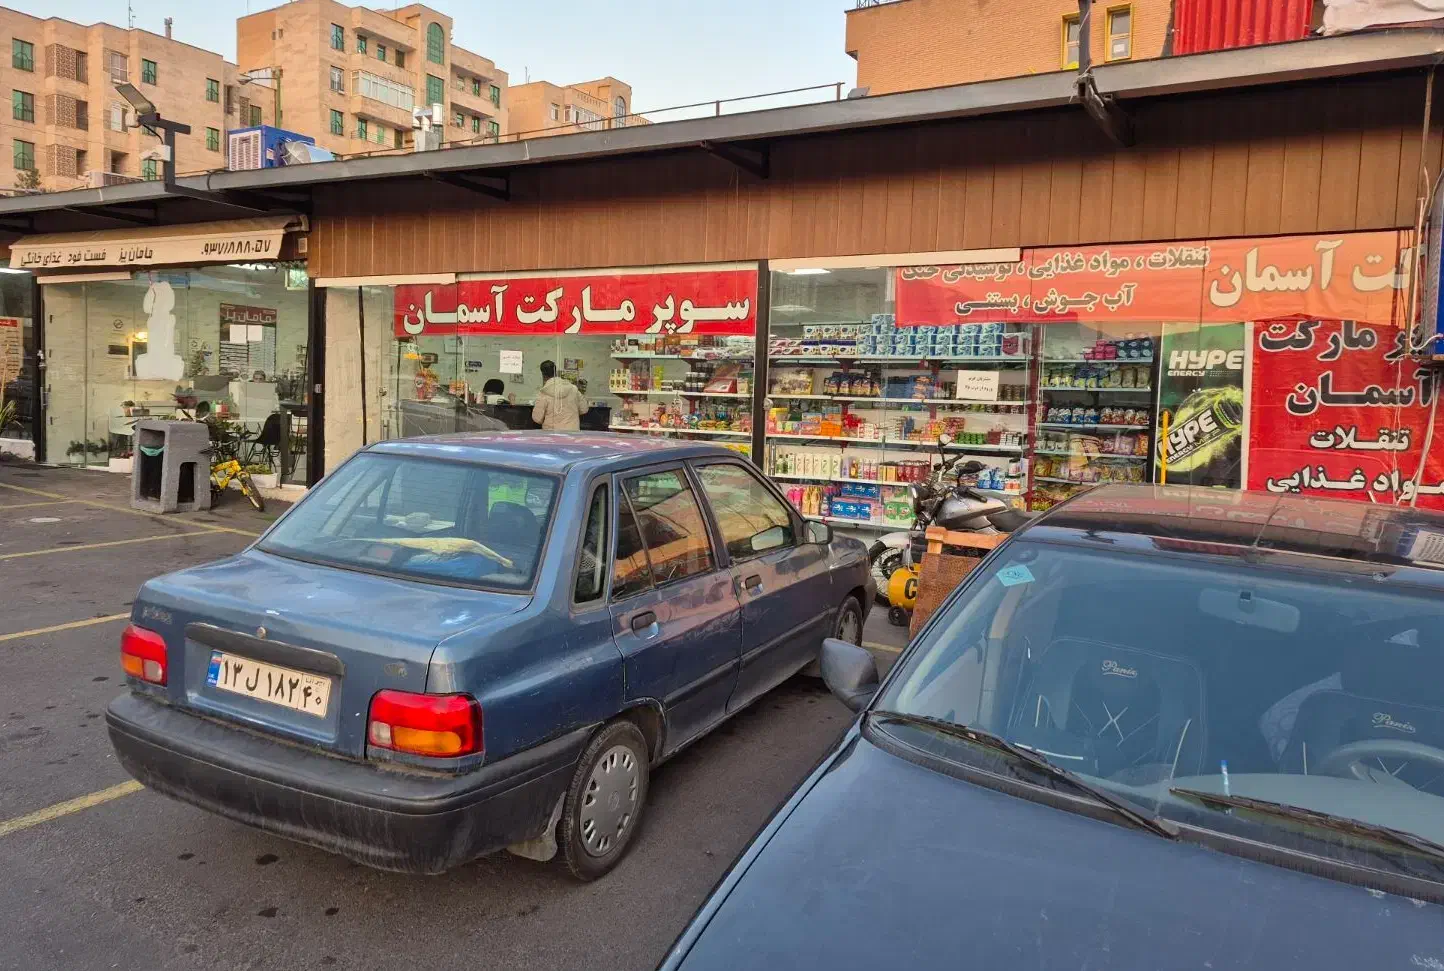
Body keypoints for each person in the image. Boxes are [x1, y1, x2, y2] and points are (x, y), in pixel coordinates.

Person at [532, 360, 586, 431]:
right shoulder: (573, 389)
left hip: (552, 433)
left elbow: (537, 418)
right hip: (573, 432)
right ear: (556, 372)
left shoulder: (544, 392)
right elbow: (584, 409)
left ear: (543, 374)